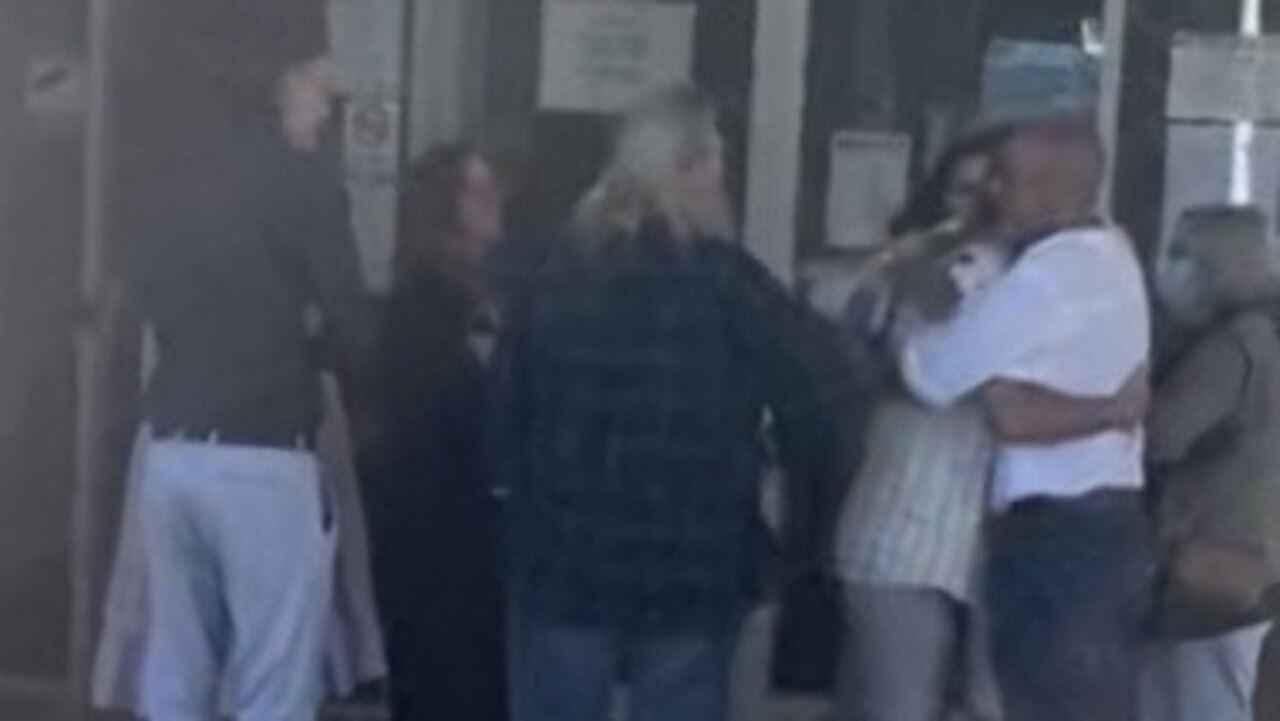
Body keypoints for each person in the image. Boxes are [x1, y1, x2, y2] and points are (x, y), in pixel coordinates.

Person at [491, 84, 865, 721]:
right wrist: (799, 543)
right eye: (717, 160)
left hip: (564, 560)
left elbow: (503, 420)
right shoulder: (730, 285)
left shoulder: (557, 276)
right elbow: (825, 403)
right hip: (694, 565)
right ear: (692, 170)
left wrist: (517, 519)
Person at [103, 2, 377, 720]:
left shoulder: (175, 180)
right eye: (319, 86)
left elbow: (146, 294)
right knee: (273, 683)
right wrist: (311, 338)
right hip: (264, 457)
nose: (326, 105)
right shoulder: (302, 182)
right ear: (282, 85)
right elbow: (352, 325)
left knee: (176, 676)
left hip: (171, 449)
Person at [833, 126, 1147, 721]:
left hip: (1044, 534)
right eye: (968, 189)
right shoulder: (1109, 255)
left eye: (1001, 184)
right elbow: (987, 401)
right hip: (920, 535)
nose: (988, 201)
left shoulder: (1042, 277)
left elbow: (948, 382)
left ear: (1050, 194)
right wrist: (1110, 412)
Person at [365, 143, 508, 721]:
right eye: (481, 191)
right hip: (438, 537)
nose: (498, 203)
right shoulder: (430, 304)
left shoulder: (468, 294)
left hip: (450, 534)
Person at [1142, 206, 1280, 721]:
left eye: (1182, 253)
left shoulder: (1235, 343)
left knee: (1200, 699)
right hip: (1257, 547)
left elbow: (1164, 436)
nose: (1169, 266)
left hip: (1211, 547)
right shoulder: (1267, 332)